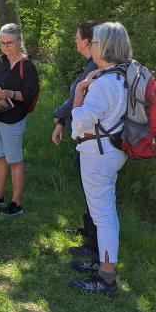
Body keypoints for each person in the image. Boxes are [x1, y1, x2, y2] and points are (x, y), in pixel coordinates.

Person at [68, 22, 133, 297]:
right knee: (106, 212)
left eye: (94, 43)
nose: (91, 47)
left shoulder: (102, 84)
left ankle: (106, 278)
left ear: (104, 46)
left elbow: (79, 123)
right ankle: (102, 264)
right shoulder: (121, 76)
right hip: (112, 151)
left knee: (104, 216)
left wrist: (80, 92)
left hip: (97, 155)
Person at [0, 23, 40, 217]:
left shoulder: (27, 65)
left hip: (13, 118)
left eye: (9, 43)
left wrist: (10, 93)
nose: (5, 47)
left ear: (19, 41)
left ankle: (16, 202)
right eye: (2, 43)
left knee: (14, 159)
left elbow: (31, 94)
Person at [52, 20, 100, 258]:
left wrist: (57, 115)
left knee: (93, 190)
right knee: (87, 187)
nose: (75, 41)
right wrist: (61, 121)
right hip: (85, 136)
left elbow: (75, 101)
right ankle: (90, 232)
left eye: (77, 37)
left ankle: (94, 245)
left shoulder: (95, 68)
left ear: (88, 41)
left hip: (94, 139)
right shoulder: (89, 65)